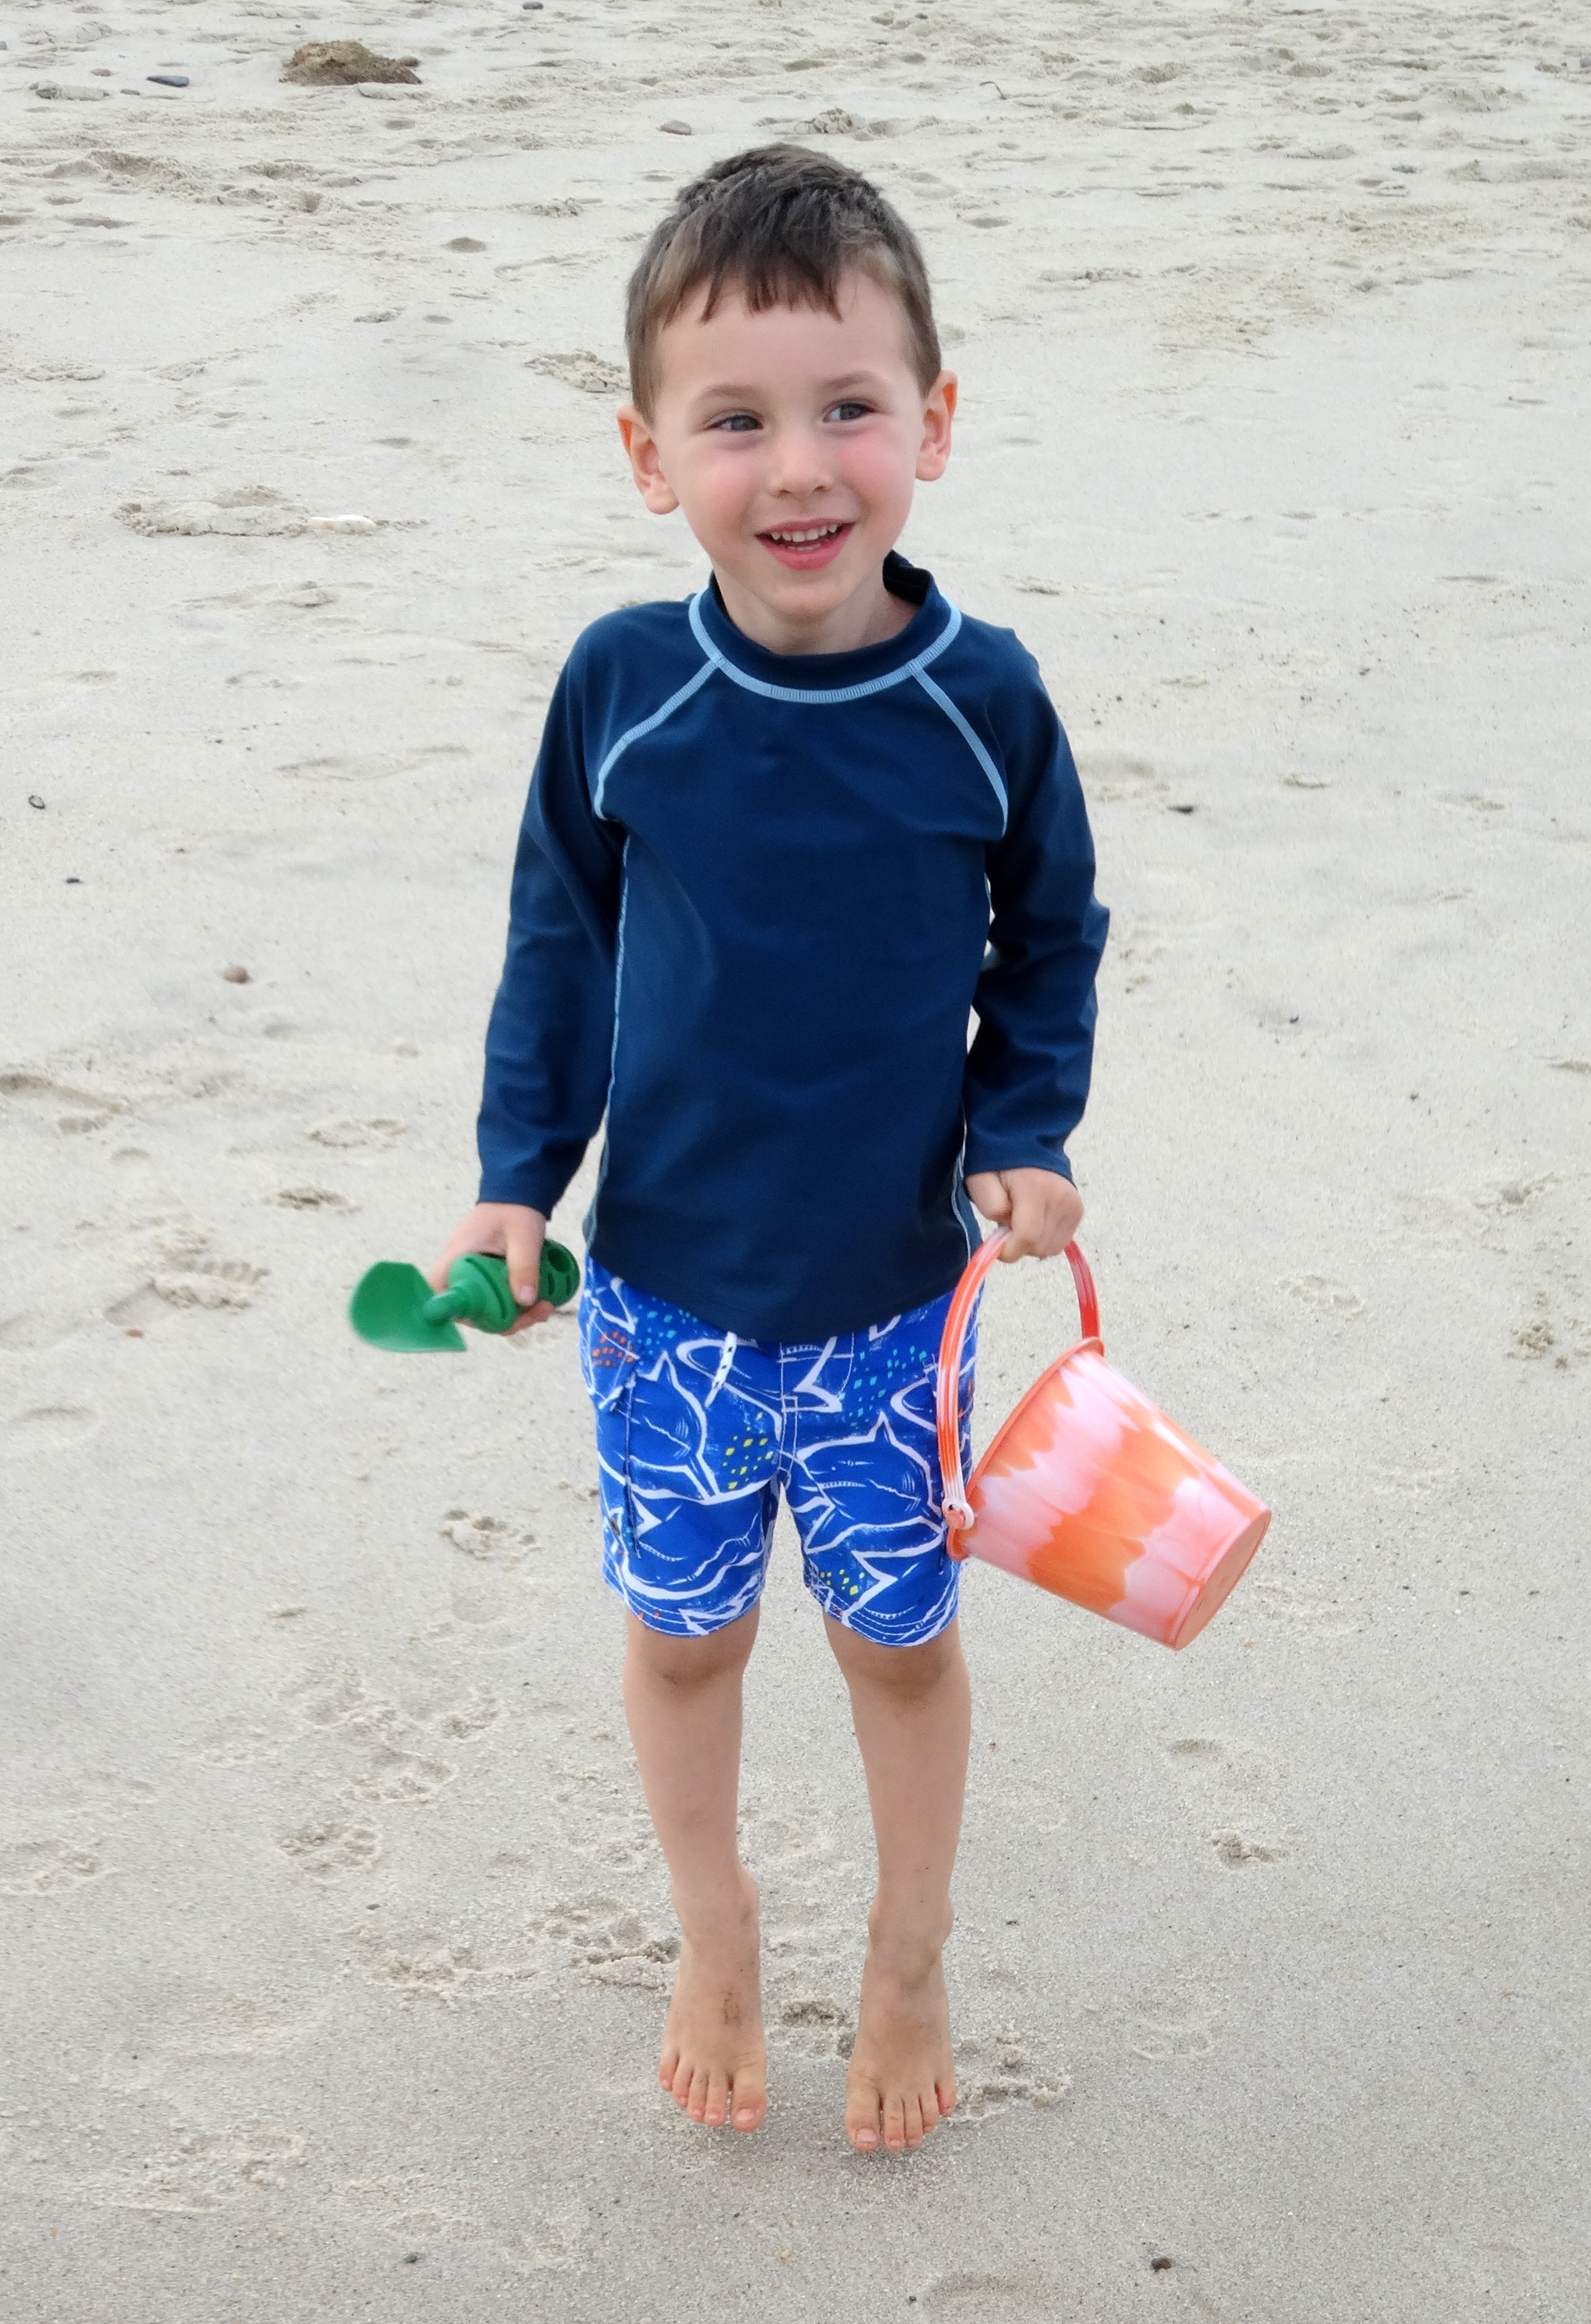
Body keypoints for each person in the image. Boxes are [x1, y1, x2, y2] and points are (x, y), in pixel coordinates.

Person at [430, 145, 1108, 2153]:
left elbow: (1050, 932)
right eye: (735, 420)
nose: (800, 468)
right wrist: (516, 1181)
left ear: (934, 423)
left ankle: (910, 1942)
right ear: (650, 456)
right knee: (684, 1630)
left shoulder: (984, 701)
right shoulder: (625, 689)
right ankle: (713, 1921)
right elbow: (560, 940)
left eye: (849, 408)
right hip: (665, 1302)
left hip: (898, 1303)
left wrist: (1028, 1126)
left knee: (898, 1648)